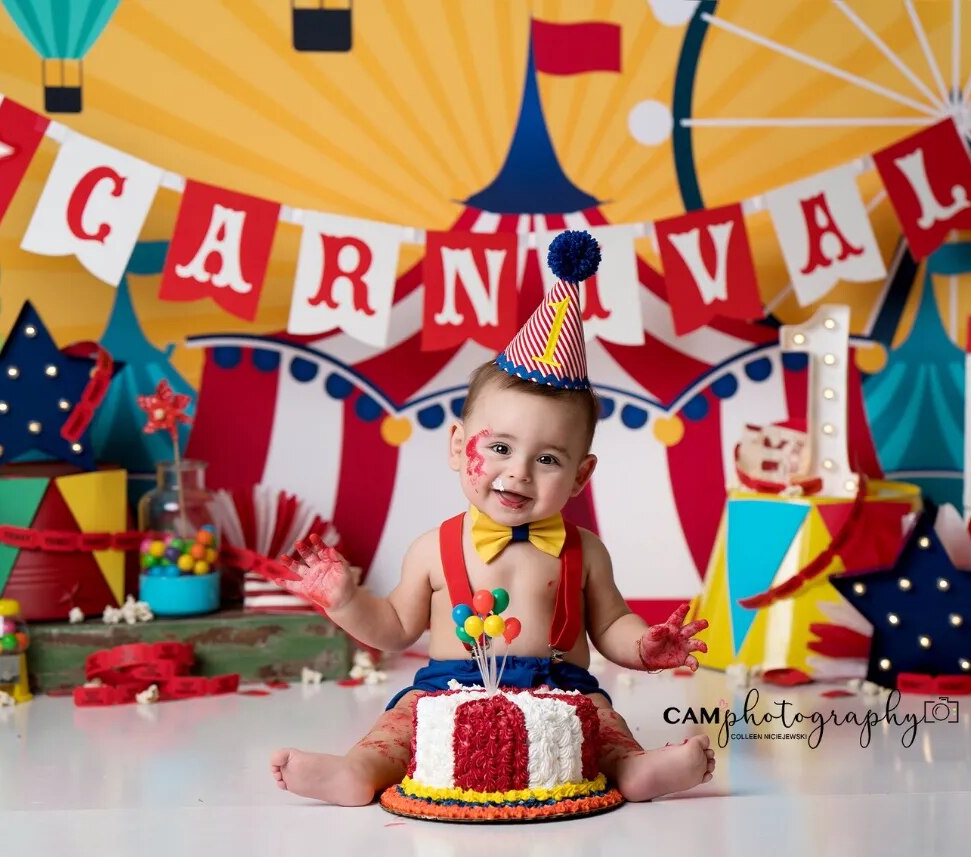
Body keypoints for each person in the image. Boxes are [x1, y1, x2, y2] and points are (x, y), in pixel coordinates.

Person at [270, 231, 714, 806]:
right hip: (447, 689)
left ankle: (635, 771)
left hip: (561, 689)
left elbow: (610, 626)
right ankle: (357, 772)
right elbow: (395, 628)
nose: (519, 473)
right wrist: (346, 600)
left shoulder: (585, 550)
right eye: (499, 448)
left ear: (581, 476)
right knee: (400, 726)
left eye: (548, 459)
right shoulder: (432, 548)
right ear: (458, 446)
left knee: (603, 726)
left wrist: (644, 646)